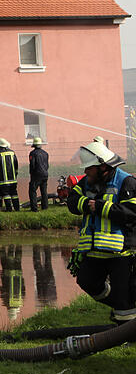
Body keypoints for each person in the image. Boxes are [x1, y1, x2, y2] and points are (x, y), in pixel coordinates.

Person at [67, 140, 136, 323]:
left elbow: (131, 212)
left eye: (89, 168)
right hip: (94, 251)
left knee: (124, 299)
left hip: (121, 253)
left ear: (103, 166)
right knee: (86, 282)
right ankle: (123, 307)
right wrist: (86, 206)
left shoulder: (126, 181)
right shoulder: (87, 183)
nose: (85, 172)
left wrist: (101, 207)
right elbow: (72, 201)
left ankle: (126, 336)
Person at [0, 138, 19, 212]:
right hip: (13, 179)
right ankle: (17, 208)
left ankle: (8, 209)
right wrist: (15, 174)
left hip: (2, 179)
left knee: (6, 194)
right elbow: (16, 165)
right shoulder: (12, 153)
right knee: (14, 194)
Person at [28, 137, 50, 211]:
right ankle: (45, 207)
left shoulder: (32, 153)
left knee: (32, 191)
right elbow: (47, 165)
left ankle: (34, 208)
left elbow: (32, 165)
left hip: (36, 174)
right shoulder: (45, 153)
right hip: (45, 174)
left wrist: (31, 173)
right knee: (44, 191)